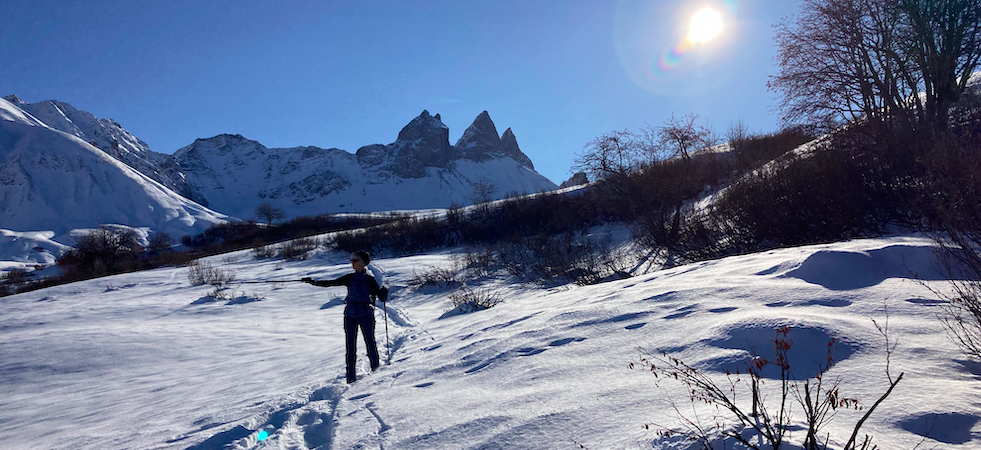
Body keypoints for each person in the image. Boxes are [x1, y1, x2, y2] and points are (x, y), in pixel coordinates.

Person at [302, 250, 388, 383]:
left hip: (366, 314)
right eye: (351, 260)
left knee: (370, 343)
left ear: (363, 263)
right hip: (350, 315)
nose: (352, 263)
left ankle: (376, 371)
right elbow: (330, 283)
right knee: (350, 347)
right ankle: (350, 378)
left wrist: (383, 292)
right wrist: (314, 282)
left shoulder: (370, 281)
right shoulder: (349, 278)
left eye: (355, 261)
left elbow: (381, 297)